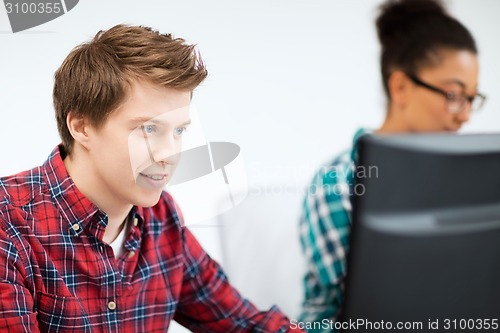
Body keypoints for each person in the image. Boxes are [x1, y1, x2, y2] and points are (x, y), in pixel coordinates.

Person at [0, 24, 303, 333]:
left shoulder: (161, 217)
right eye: (148, 129)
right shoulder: (8, 224)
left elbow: (246, 324)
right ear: (82, 126)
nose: (169, 154)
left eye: (179, 130)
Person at [298, 0, 486, 331]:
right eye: (454, 95)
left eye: (472, 98)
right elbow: (371, 304)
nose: (466, 114)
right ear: (401, 86)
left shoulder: (468, 182)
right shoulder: (339, 181)